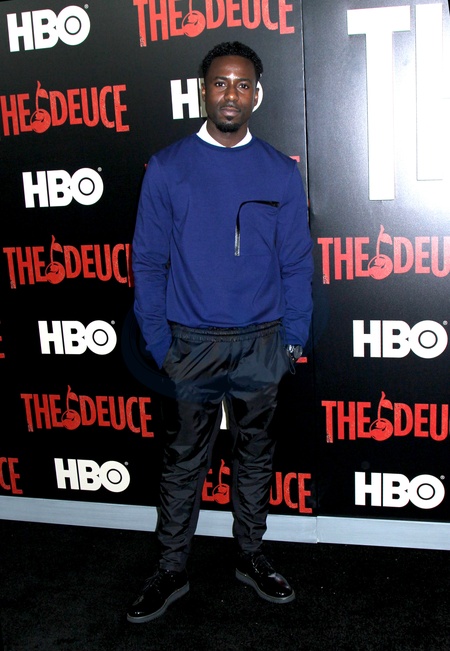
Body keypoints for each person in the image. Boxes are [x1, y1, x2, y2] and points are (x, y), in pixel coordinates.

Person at [128, 41, 313, 624]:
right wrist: (160, 343)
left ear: (256, 94)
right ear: (202, 90)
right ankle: (171, 568)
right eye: (220, 83)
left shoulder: (279, 170)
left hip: (264, 341)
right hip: (190, 344)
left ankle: (251, 555)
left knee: (256, 453)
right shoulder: (167, 167)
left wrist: (292, 340)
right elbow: (147, 261)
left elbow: (297, 263)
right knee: (183, 459)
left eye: (242, 84)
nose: (231, 93)